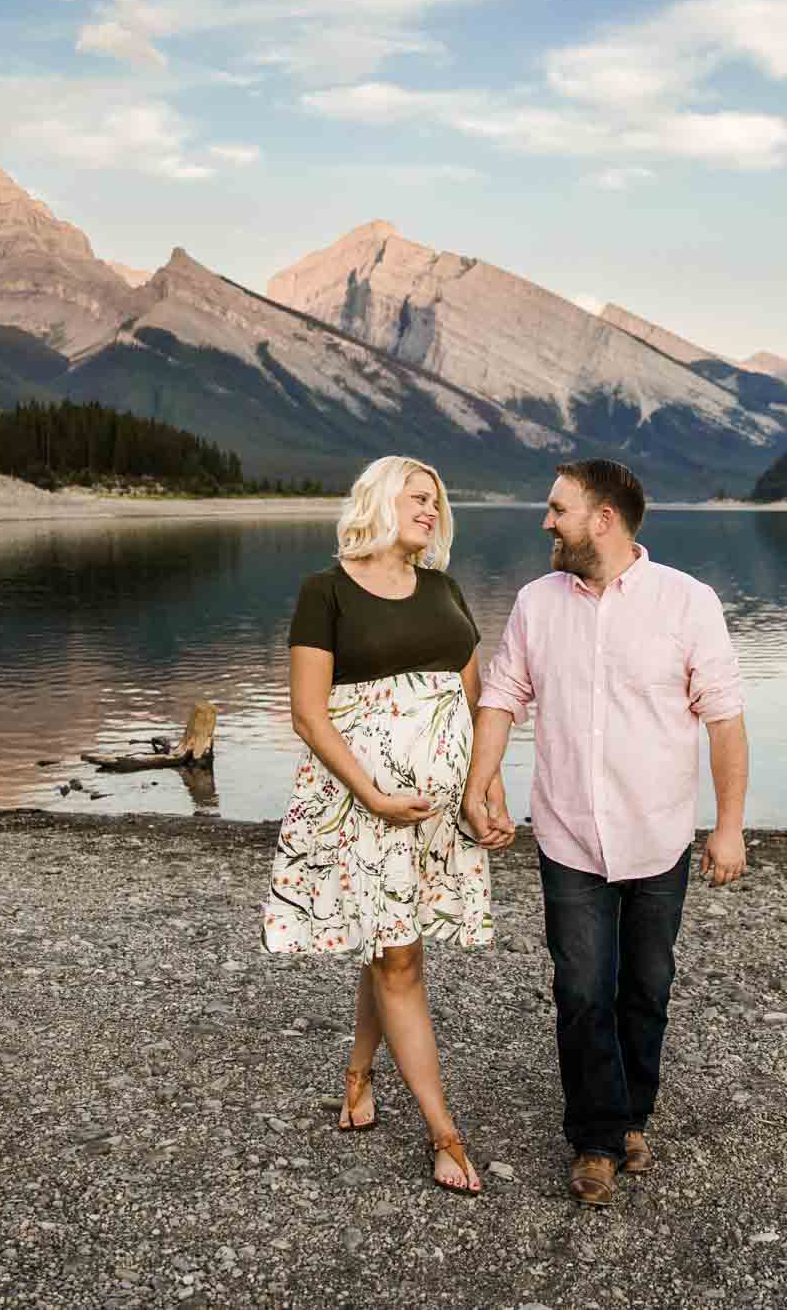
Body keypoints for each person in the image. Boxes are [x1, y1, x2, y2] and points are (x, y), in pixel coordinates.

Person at [461, 458, 749, 1207]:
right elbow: (501, 695)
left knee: (647, 986)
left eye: (558, 508)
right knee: (583, 988)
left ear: (604, 519)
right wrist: (479, 780)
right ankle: (598, 1138)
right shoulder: (534, 602)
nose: (546, 520)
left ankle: (632, 1115)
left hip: (659, 835)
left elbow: (724, 719)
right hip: (567, 833)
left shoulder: (688, 602)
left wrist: (730, 826)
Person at [262, 455, 507, 1196]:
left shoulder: (443, 588)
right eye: (418, 496)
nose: (432, 509)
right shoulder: (325, 591)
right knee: (401, 960)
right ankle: (445, 1131)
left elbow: (470, 700)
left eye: (438, 499)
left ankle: (359, 1073)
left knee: (390, 941)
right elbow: (308, 712)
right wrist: (371, 793)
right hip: (364, 809)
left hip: (433, 815)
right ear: (378, 499)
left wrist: (483, 790)